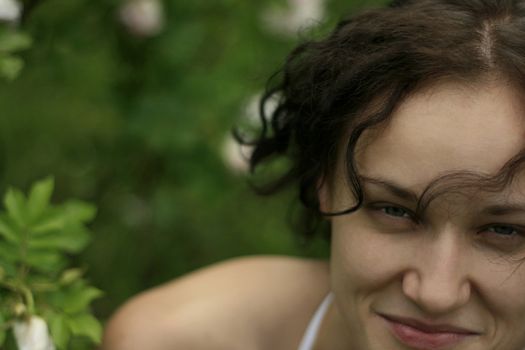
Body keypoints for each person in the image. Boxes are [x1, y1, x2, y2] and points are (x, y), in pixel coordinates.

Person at [102, 0, 525, 349]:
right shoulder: (181, 340)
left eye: (505, 231)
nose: (436, 292)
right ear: (323, 182)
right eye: (394, 211)